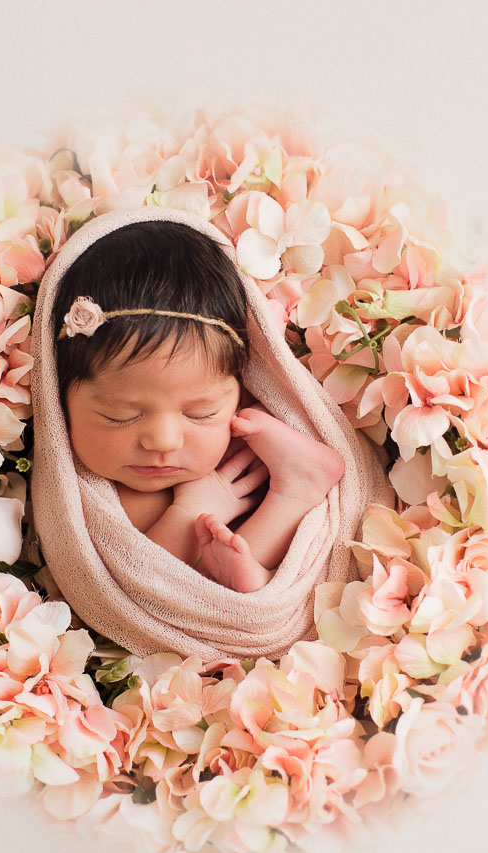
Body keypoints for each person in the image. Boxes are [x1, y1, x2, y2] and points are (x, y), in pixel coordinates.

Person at [46, 219, 345, 592]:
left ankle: (293, 496)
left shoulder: (247, 430)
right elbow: (137, 591)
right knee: (221, 575)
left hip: (265, 579)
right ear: (59, 394)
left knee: (233, 567)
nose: (164, 441)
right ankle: (289, 509)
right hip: (194, 612)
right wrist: (188, 515)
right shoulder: (87, 494)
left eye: (200, 413)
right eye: (120, 415)